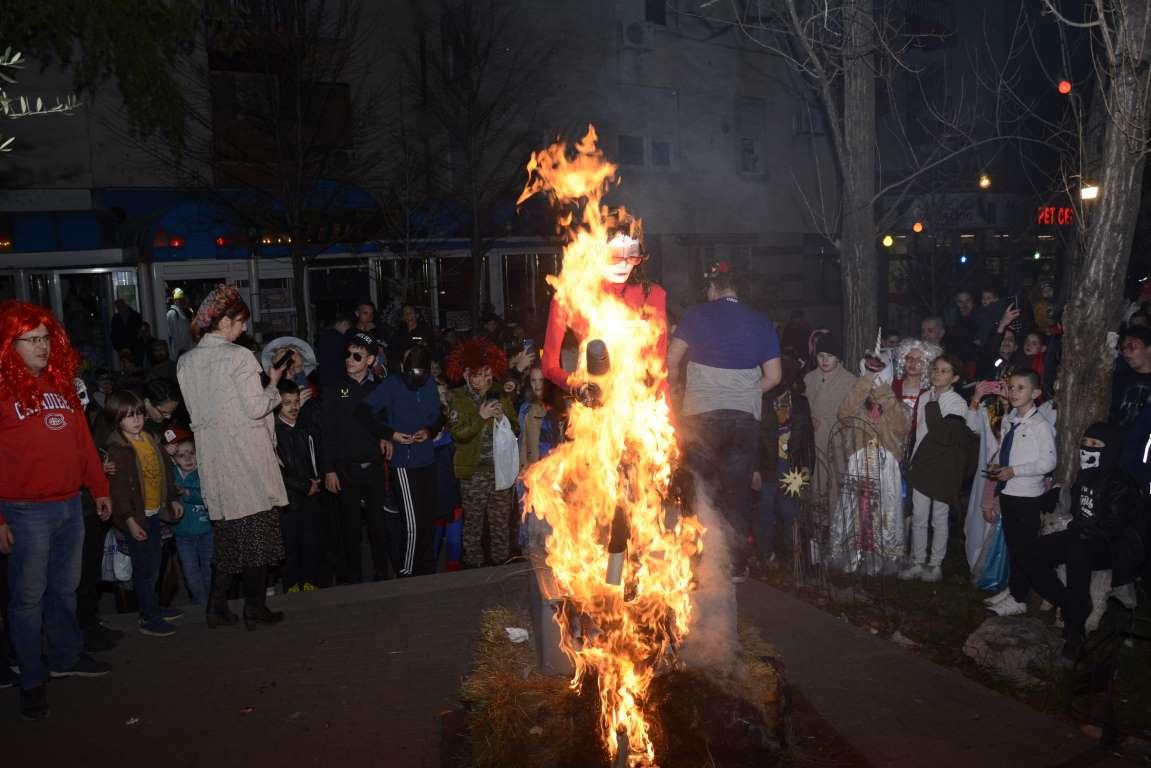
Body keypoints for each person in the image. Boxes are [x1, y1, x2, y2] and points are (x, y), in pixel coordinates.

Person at [0, 301, 113, 720]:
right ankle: (31, 679)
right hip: (24, 510)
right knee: (27, 600)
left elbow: (83, 442)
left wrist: (99, 489)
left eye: (46, 338)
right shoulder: (2, 389)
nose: (42, 347)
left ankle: (67, 656)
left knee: (64, 589)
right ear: (9, 345)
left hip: (69, 503)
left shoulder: (60, 383)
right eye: (32, 340)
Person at [177, 284, 288, 631]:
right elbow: (255, 407)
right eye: (240, 322)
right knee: (258, 536)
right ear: (225, 321)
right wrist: (274, 390)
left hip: (214, 460)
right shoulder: (238, 356)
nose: (243, 330)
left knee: (226, 539)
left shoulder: (185, 361)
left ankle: (215, 608)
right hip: (246, 458)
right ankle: (254, 609)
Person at [668, 260, 782, 581]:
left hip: (700, 417)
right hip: (742, 420)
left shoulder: (695, 315)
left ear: (714, 287)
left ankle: (697, 564)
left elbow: (672, 359)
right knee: (736, 491)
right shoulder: (761, 322)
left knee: (700, 489)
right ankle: (735, 565)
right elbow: (774, 377)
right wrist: (744, 392)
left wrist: (678, 389)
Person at [1029, 423, 1147, 659]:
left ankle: (1075, 632)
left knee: (1078, 552)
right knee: (1030, 553)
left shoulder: (1120, 483)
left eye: (1095, 444)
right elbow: (1078, 514)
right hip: (1083, 536)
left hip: (1112, 548)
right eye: (1085, 442)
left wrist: (1080, 530)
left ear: (1111, 449)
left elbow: (1113, 528)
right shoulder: (1084, 477)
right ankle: (1072, 605)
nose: (1087, 448)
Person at [103, 390, 185, 636]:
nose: (136, 419)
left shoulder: (150, 437)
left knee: (156, 563)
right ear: (117, 419)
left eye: (138, 413)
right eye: (128, 416)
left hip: (154, 512)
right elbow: (118, 491)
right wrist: (128, 520)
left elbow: (165, 472)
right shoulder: (117, 449)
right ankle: (148, 617)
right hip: (136, 516)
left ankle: (155, 607)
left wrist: (171, 498)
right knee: (144, 568)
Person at [361, 345, 445, 576]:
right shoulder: (392, 384)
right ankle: (406, 571)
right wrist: (389, 434)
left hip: (427, 458)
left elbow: (438, 417)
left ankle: (427, 569)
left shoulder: (429, 384)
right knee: (412, 522)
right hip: (404, 463)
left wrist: (428, 430)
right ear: (402, 366)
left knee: (428, 518)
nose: (415, 379)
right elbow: (363, 412)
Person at [983, 368, 1058, 616]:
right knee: (1014, 546)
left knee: (1025, 549)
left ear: (1035, 393)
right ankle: (1014, 590)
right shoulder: (1010, 419)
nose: (1014, 392)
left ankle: (1020, 598)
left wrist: (1015, 470)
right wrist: (999, 467)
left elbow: (1048, 463)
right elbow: (1008, 450)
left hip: (1027, 497)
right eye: (1012, 387)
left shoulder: (1040, 426)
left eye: (1021, 388)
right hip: (1009, 493)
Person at [320, 332, 391, 583]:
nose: (350, 359)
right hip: (344, 469)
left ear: (370, 360)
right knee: (349, 528)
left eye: (357, 355)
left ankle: (382, 574)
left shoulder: (380, 388)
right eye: (348, 354)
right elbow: (326, 431)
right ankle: (352, 579)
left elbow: (386, 419)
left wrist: (387, 437)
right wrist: (328, 469)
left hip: (372, 466)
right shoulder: (334, 388)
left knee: (377, 524)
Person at [830, 358, 912, 575]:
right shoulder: (857, 405)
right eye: (871, 376)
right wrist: (865, 381)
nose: (875, 382)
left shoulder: (897, 406)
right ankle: (854, 551)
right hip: (859, 462)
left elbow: (903, 427)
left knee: (882, 510)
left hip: (885, 466)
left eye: (879, 377)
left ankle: (880, 555)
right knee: (857, 508)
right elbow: (843, 414)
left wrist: (884, 393)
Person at [902, 354, 977, 581]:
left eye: (944, 371)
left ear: (955, 378)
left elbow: (943, 434)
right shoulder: (925, 396)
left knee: (939, 517)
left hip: (943, 468)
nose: (937, 374)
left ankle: (935, 564)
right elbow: (920, 431)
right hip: (923, 464)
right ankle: (917, 561)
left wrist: (934, 403)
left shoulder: (957, 403)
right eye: (935, 369)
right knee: (919, 516)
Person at [446, 338, 519, 568]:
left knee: (500, 523)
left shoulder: (499, 394)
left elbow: (516, 429)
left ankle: (501, 563)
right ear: (468, 373)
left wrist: (502, 419)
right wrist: (482, 416)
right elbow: (459, 434)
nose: (487, 380)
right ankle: (473, 567)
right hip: (474, 473)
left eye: (489, 374)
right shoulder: (457, 398)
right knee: (474, 524)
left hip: (500, 471)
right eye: (480, 375)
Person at [274, 380, 323, 592]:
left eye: (296, 402)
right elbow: (276, 470)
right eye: (287, 403)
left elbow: (318, 455)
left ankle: (310, 580)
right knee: (290, 544)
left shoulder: (307, 426)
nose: (293, 407)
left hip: (312, 495)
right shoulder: (273, 433)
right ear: (276, 405)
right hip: (288, 498)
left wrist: (318, 479)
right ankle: (292, 584)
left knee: (311, 542)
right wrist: (303, 486)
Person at [803, 331, 857, 502]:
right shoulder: (808, 379)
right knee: (814, 485)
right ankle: (816, 524)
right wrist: (808, 419)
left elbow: (854, 415)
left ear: (838, 358)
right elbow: (801, 408)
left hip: (838, 444)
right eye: (821, 355)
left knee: (837, 486)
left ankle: (837, 525)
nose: (825, 360)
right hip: (813, 445)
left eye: (830, 356)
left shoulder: (850, 381)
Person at [164, 428, 213, 606]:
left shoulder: (204, 472)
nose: (188, 458)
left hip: (207, 531)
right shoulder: (171, 475)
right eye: (181, 455)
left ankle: (210, 601)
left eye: (191, 453)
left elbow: (208, 496)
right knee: (190, 571)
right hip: (183, 534)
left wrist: (186, 492)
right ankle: (201, 602)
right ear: (172, 459)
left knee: (209, 569)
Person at [315, 314, 354, 387]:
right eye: (347, 328)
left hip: (323, 375)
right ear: (344, 323)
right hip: (336, 375)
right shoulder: (339, 338)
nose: (346, 331)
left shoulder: (323, 335)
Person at [165, 288, 193, 359]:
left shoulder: (182, 312)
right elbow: (174, 334)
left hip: (186, 351)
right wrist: (178, 352)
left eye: (183, 299)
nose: (184, 301)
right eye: (181, 299)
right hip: (179, 353)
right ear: (176, 300)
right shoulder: (172, 313)